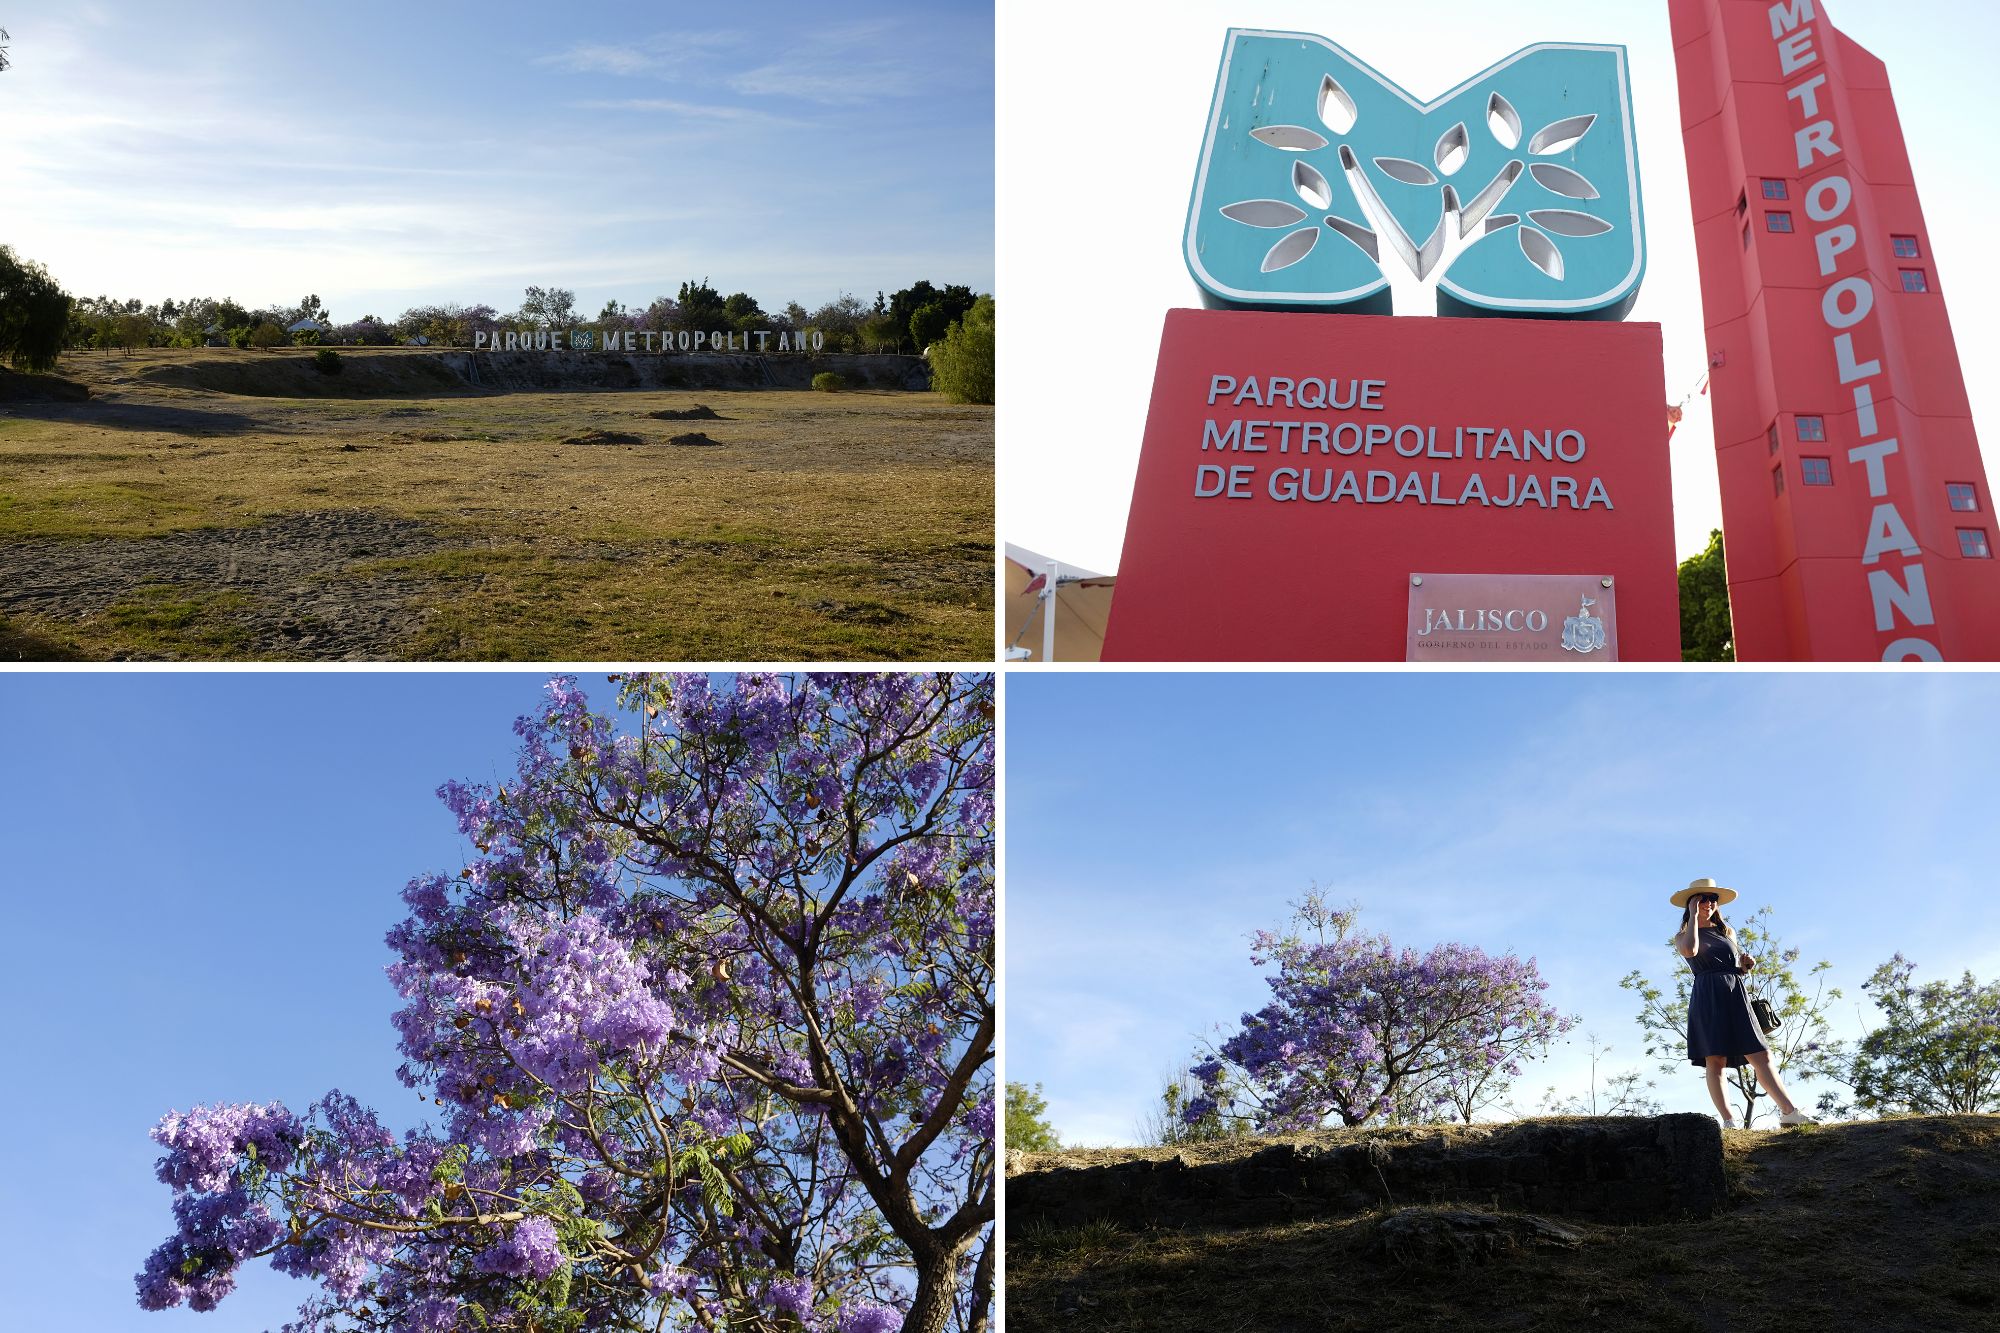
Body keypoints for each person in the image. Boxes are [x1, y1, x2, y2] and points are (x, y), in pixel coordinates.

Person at [1670, 877, 1815, 1128]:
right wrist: (1694, 916)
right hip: (1707, 997)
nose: (1709, 903)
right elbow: (1690, 951)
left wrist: (1745, 967)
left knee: (1762, 1054)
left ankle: (1789, 1113)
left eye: (1713, 899)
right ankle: (1728, 1121)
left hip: (1735, 994)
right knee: (1715, 1060)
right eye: (1702, 898)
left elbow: (1732, 967)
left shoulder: (1726, 932)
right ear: (1691, 902)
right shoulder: (1683, 935)